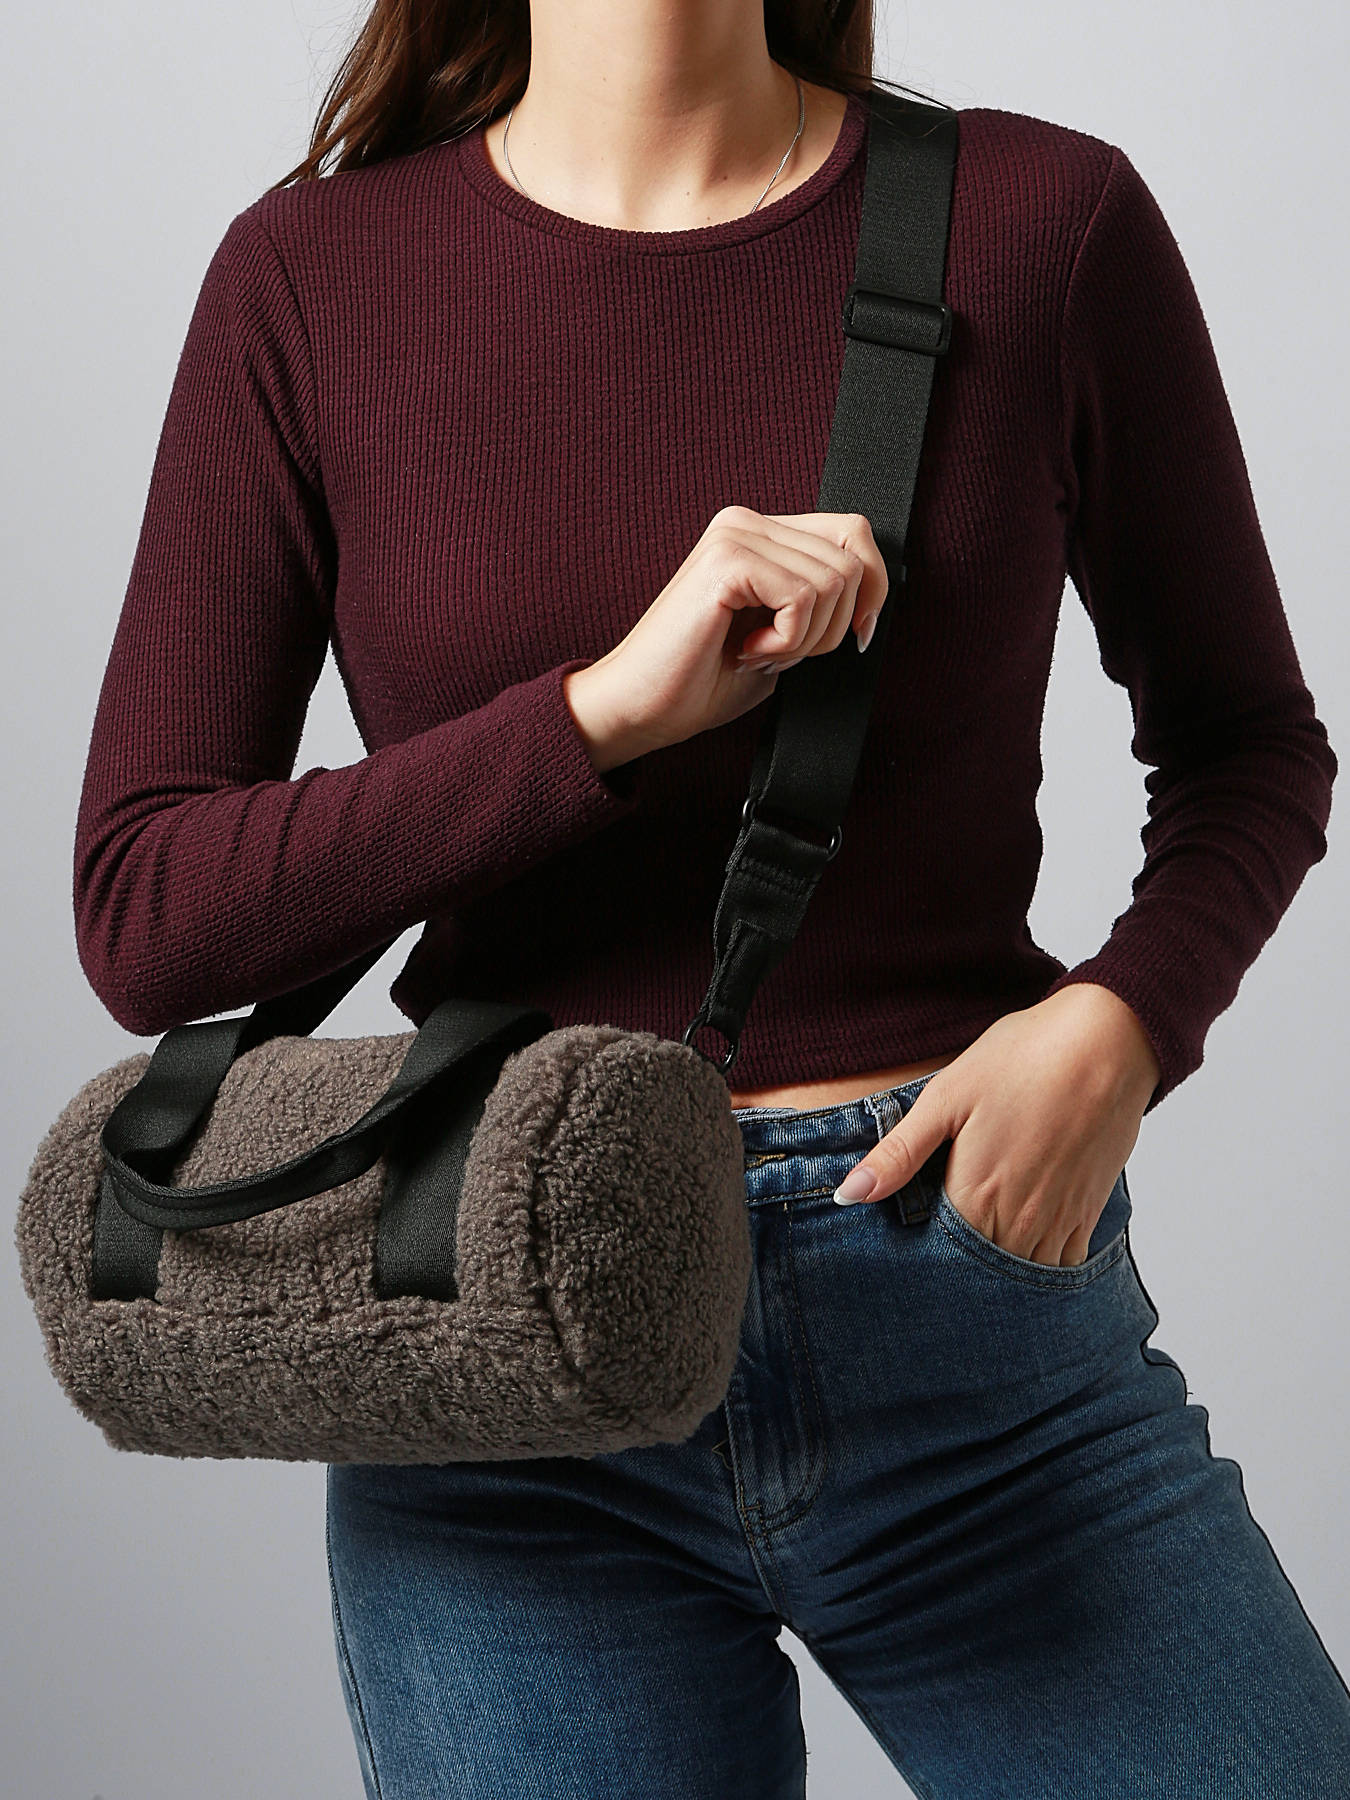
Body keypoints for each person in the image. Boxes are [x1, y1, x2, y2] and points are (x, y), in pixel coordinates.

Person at [72, 1, 1350, 1794]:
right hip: (504, 1353)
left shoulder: (1038, 221)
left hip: (956, 1291)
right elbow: (147, 913)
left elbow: (1246, 746)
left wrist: (1119, 1026)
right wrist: (600, 717)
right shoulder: (308, 277)